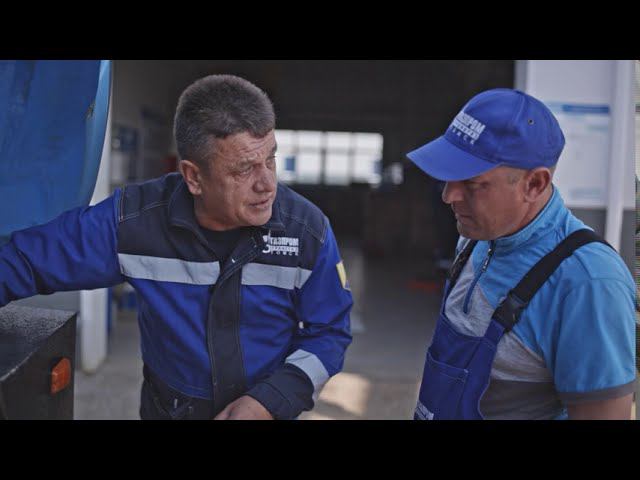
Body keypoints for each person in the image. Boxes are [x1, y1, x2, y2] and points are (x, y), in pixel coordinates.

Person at [0, 74, 353, 420]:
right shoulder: (134, 223)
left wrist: (271, 401)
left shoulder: (308, 232)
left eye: (270, 159)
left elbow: (329, 332)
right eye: (244, 169)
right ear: (194, 177)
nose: (267, 185)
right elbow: (24, 261)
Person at [407, 88, 636, 420]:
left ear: (535, 184)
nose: (448, 196)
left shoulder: (587, 284)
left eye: (471, 184)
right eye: (449, 177)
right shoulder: (476, 238)